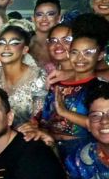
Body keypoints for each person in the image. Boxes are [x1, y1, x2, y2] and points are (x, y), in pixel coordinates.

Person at [25, 32, 104, 162]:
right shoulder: (56, 85)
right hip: (48, 146)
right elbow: (42, 115)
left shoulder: (100, 88)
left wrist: (64, 112)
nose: (80, 58)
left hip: (81, 151)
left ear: (100, 55)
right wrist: (33, 123)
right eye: (74, 52)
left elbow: (100, 123)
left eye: (88, 52)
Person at [0, 20, 47, 127]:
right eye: (1, 43)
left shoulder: (38, 76)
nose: (6, 47)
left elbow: (40, 119)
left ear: (25, 49)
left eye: (14, 43)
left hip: (29, 134)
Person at [29, 0, 62, 68]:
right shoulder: (23, 41)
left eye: (50, 14)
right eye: (39, 14)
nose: (44, 19)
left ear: (59, 18)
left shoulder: (66, 45)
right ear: (33, 18)